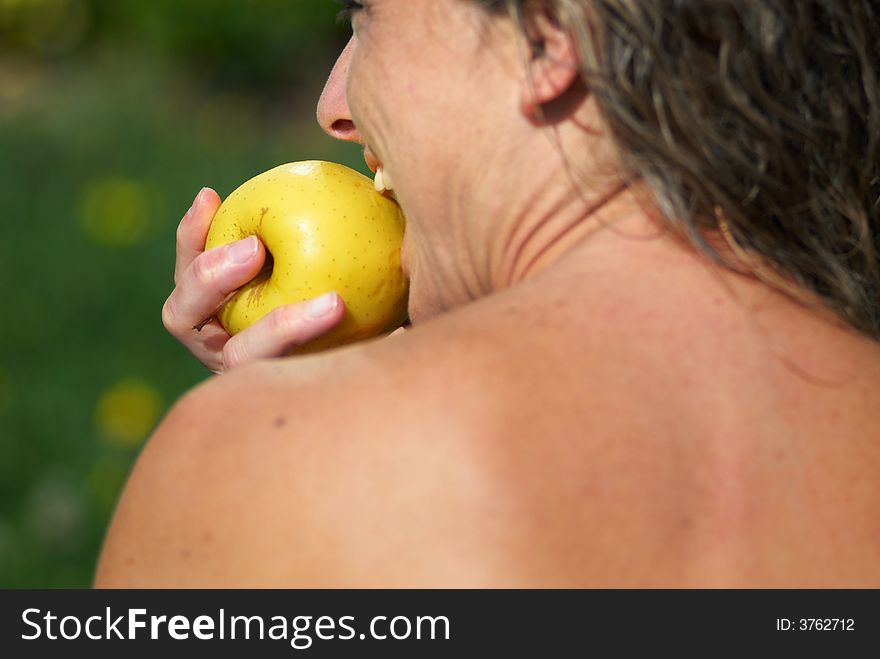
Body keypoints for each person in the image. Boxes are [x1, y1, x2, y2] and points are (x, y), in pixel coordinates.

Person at [94, 1, 880, 586]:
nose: (332, 103)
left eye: (363, 16)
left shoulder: (259, 464)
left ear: (547, 40)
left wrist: (267, 446)